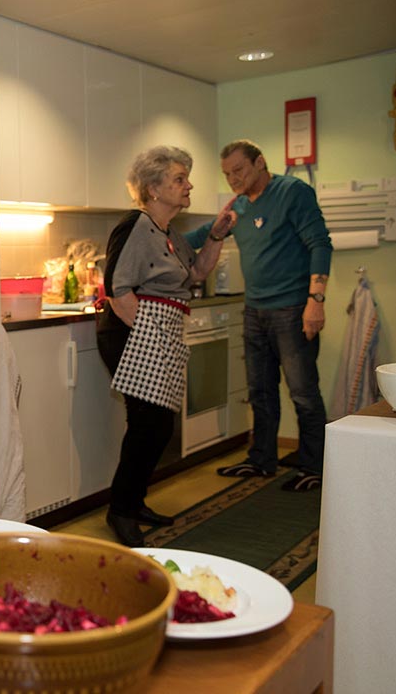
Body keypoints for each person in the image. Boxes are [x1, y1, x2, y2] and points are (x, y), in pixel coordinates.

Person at [96, 146, 235, 547]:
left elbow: (197, 272)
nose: (188, 185)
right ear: (153, 188)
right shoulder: (136, 225)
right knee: (148, 425)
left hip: (159, 330)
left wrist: (216, 234)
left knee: (157, 426)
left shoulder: (168, 233)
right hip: (131, 331)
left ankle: (132, 501)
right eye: (179, 179)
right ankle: (120, 511)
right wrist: (149, 337)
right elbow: (117, 287)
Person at [197, 139, 331, 492]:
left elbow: (320, 244)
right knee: (260, 391)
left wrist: (316, 301)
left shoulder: (292, 192)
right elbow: (201, 235)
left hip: (293, 309)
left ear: (259, 162)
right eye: (227, 174)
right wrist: (157, 232)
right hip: (254, 310)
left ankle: (315, 466)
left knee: (303, 393)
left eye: (238, 170)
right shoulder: (238, 206)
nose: (233, 179)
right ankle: (261, 460)